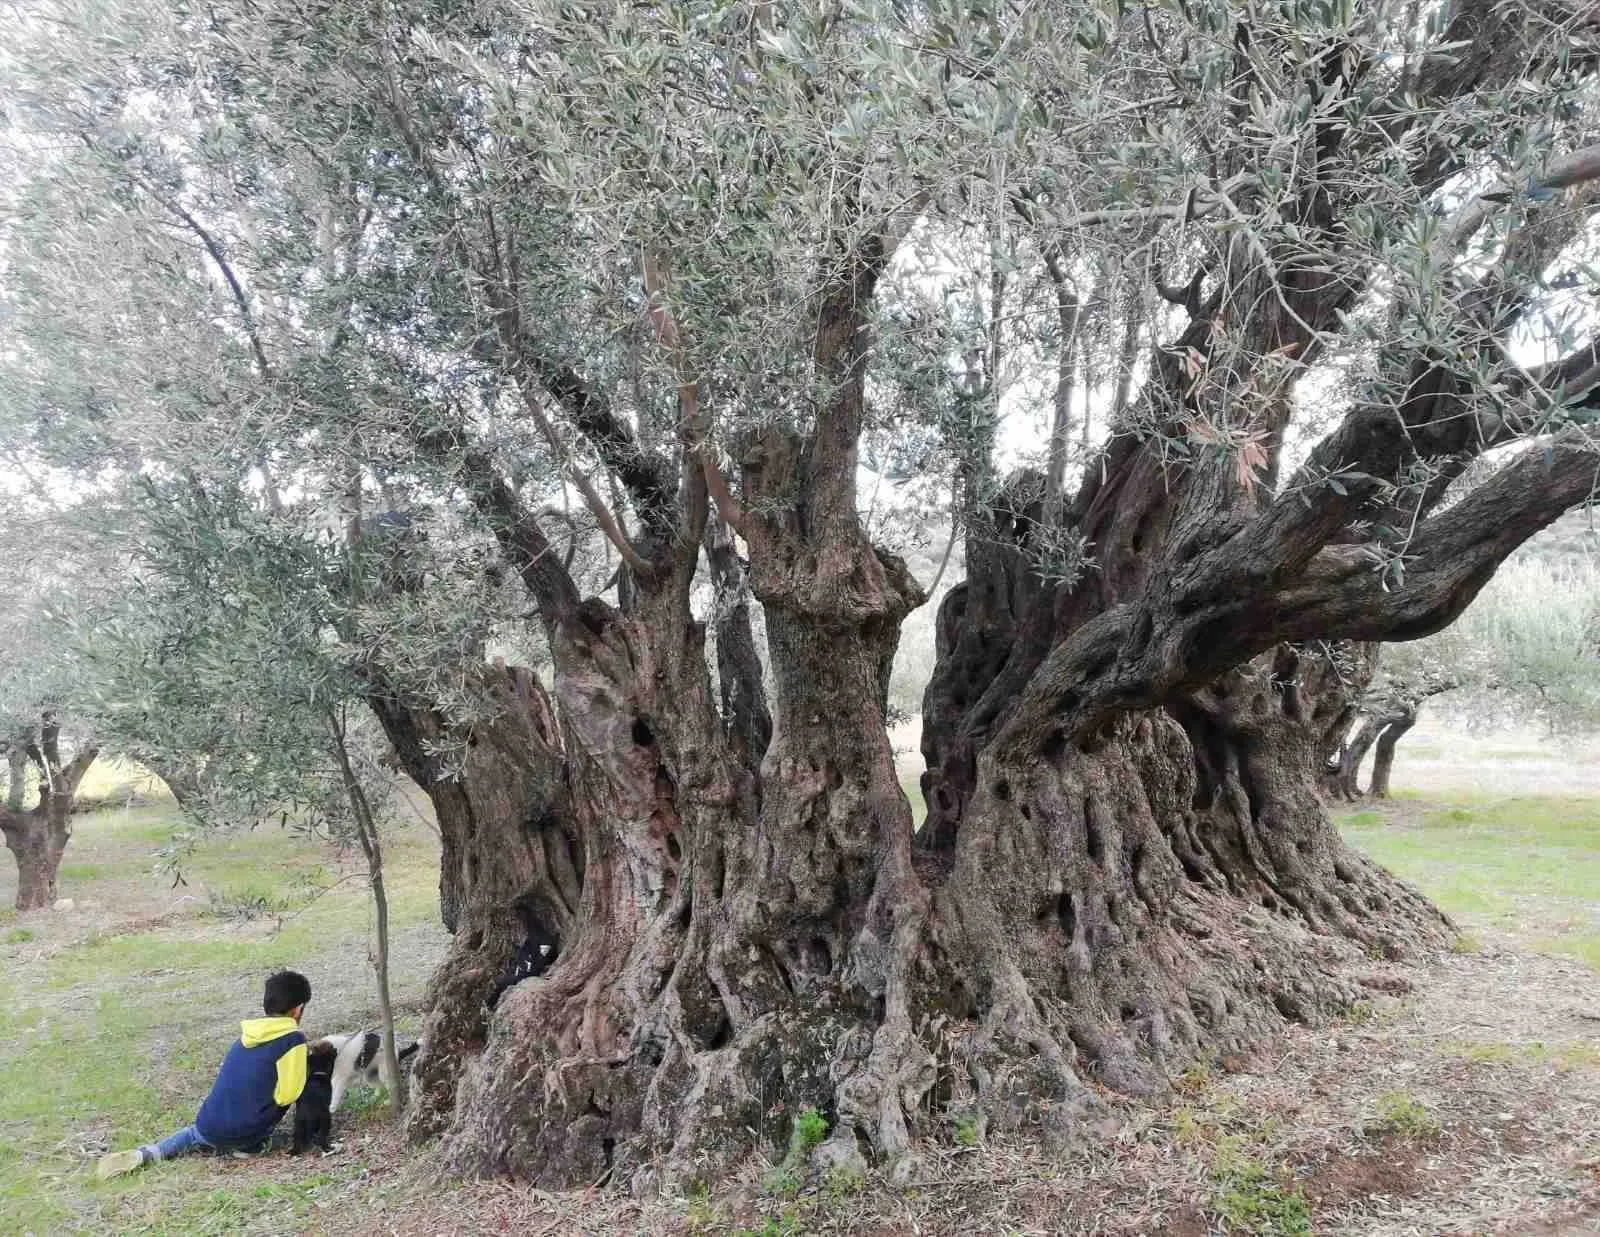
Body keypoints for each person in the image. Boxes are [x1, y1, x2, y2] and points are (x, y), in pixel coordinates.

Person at [96, 970, 311, 1179]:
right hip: (246, 1131)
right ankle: (251, 1146)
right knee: (278, 1136)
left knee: (192, 1135)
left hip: (208, 1124)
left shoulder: (246, 1036)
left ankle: (148, 1153)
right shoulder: (293, 1040)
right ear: (298, 1009)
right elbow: (288, 1094)